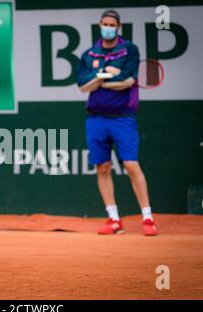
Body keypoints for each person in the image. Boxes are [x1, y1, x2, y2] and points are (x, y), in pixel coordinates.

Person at [76, 10, 157, 236]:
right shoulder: (89, 53)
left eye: (112, 24)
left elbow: (128, 80)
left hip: (123, 118)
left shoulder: (129, 50)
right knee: (102, 167)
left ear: (118, 27)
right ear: (100, 25)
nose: (108, 27)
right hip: (96, 119)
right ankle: (113, 219)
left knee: (131, 165)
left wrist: (99, 79)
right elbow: (83, 86)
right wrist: (105, 73)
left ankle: (148, 218)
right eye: (105, 23)